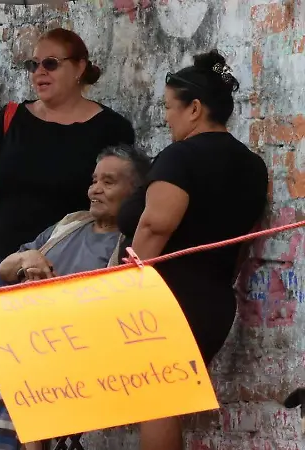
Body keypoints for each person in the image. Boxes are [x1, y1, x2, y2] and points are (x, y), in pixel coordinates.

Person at [117, 50, 268, 450]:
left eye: (169, 107)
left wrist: (126, 290)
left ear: (195, 109)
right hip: (214, 299)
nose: (166, 117)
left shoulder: (182, 156)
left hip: (165, 298)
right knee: (166, 399)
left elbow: (155, 223)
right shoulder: (252, 165)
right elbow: (240, 242)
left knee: (158, 402)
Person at [0, 145, 151, 450]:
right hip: (31, 340)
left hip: (78, 350)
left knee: (18, 385)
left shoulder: (129, 243)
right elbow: (5, 268)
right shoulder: (70, 224)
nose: (95, 189)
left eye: (108, 183)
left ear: (135, 192)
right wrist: (28, 259)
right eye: (94, 180)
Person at [0, 27, 135, 290]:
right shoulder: (11, 118)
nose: (40, 72)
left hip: (65, 269)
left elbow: (120, 198)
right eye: (34, 64)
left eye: (50, 64)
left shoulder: (111, 128)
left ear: (79, 68)